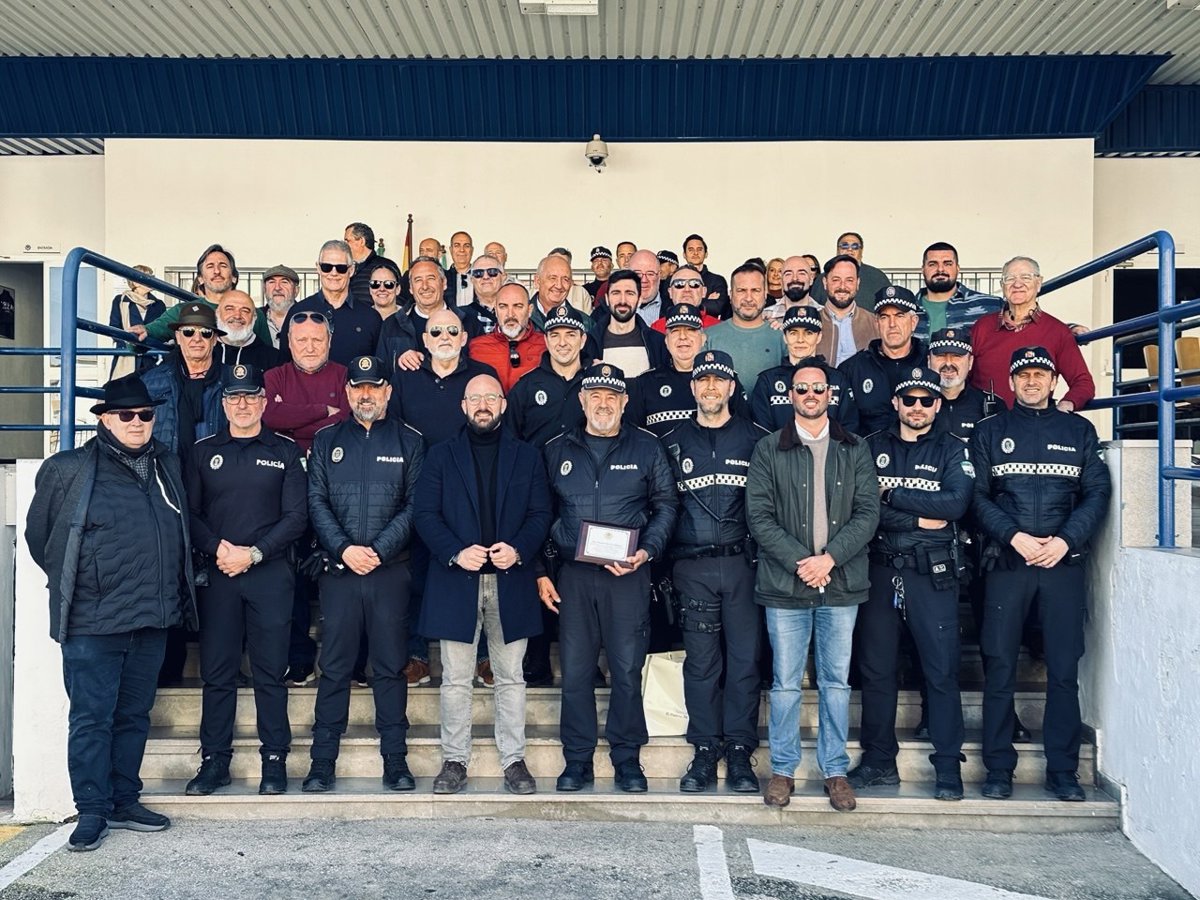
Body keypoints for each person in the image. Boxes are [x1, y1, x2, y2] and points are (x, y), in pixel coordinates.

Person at [25, 373, 197, 850]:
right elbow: (42, 540)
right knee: (91, 719)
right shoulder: (68, 469)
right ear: (104, 419)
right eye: (125, 414)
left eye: (145, 414)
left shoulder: (166, 464)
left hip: (152, 617)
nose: (137, 422)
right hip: (93, 622)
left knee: (134, 716)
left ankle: (124, 800)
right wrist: (88, 583)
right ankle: (92, 810)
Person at [971, 346, 1111, 802]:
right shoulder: (990, 431)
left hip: (1061, 563)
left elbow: (1096, 492)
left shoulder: (1079, 430)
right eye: (1023, 375)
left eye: (1040, 374)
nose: (1032, 382)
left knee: (1064, 669)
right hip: (1008, 561)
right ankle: (998, 769)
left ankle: (1063, 771)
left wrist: (1065, 540)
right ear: (1012, 382)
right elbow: (977, 496)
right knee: (999, 666)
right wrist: (1014, 536)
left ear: (1054, 381)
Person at [746, 361, 879, 811]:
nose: (810, 395)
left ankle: (835, 771)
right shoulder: (769, 448)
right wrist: (802, 563)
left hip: (840, 582)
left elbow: (868, 513)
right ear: (790, 395)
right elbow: (759, 516)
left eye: (817, 389)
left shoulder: (854, 447)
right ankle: (783, 770)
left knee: (836, 683)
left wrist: (830, 559)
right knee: (785, 683)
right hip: (786, 584)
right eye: (801, 388)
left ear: (830, 395)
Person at [540, 363, 677, 793]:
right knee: (576, 672)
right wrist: (542, 571)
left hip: (628, 576)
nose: (603, 404)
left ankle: (627, 759)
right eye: (595, 396)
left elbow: (666, 505)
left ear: (624, 402)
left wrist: (646, 551)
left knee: (626, 669)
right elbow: (540, 513)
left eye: (612, 397)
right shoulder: (557, 449)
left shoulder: (647, 447)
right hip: (575, 576)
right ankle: (577, 760)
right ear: (582, 401)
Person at [414, 374, 553, 795]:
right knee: (456, 679)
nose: (482, 405)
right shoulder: (440, 456)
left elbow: (541, 514)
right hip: (457, 580)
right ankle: (454, 761)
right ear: (463, 406)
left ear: (503, 404)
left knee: (510, 677)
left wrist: (520, 550)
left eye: (491, 397)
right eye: (474, 398)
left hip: (510, 580)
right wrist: (455, 552)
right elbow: (425, 514)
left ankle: (514, 761)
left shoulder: (527, 456)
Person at [182, 365, 307, 797]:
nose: (242, 405)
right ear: (223, 403)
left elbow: (296, 517)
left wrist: (253, 554)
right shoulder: (202, 452)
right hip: (220, 574)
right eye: (234, 397)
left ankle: (275, 760)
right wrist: (219, 549)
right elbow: (190, 513)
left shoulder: (285, 451)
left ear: (263, 402)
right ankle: (214, 762)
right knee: (217, 673)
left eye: (251, 397)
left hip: (270, 574)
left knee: (270, 673)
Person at [303, 356, 425, 793]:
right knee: (335, 668)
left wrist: (377, 550)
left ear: (388, 391)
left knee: (390, 667)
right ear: (348, 392)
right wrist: (344, 548)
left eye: (374, 387)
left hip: (389, 572)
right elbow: (316, 501)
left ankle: (395, 760)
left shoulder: (410, 440)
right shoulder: (326, 439)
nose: (366, 394)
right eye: (359, 387)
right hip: (340, 572)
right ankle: (321, 763)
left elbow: (415, 505)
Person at [852, 366, 972, 800]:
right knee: (876, 670)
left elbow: (956, 503)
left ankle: (948, 766)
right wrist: (919, 516)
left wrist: (892, 496)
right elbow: (861, 507)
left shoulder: (953, 448)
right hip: (881, 569)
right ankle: (878, 761)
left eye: (926, 400)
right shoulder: (870, 447)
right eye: (909, 400)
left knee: (941, 670)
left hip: (931, 571)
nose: (917, 407)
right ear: (895, 403)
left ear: (937, 405)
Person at [662, 350, 768, 793]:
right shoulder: (669, 442)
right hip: (692, 567)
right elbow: (660, 507)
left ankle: (740, 750)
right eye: (703, 380)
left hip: (744, 565)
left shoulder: (758, 439)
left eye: (718, 380)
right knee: (701, 665)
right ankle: (705, 749)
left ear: (731, 387)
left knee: (744, 661)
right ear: (693, 387)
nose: (710, 387)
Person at [969, 256, 1095, 412]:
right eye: (1010, 279)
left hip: (1034, 422)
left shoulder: (1057, 331)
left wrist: (1065, 406)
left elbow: (1083, 383)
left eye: (1025, 277)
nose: (1017, 284)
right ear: (1002, 285)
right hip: (986, 422)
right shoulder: (982, 327)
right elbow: (963, 376)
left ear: (1039, 283)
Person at [625, 303, 750, 437]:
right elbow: (633, 436)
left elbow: (745, 430)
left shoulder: (726, 379)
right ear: (666, 340)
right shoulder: (645, 383)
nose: (683, 336)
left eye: (690, 330)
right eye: (675, 331)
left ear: (703, 338)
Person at [133, 244, 272, 348]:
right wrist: (139, 334)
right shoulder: (183, 311)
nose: (217, 271)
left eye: (223, 266)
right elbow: (149, 333)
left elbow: (268, 356)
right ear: (200, 279)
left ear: (234, 277)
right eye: (210, 266)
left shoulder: (253, 314)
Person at [141, 302, 227, 462]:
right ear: (178, 337)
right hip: (167, 471)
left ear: (215, 339)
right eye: (188, 332)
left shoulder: (231, 381)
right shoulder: (151, 382)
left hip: (217, 471)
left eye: (206, 333)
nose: (197, 339)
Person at [751, 307, 857, 433]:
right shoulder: (768, 381)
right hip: (779, 446)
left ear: (819, 337)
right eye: (793, 333)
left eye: (808, 333)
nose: (800, 339)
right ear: (785, 337)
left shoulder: (838, 380)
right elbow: (762, 434)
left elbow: (849, 429)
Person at [838, 286, 927, 435]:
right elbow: (845, 427)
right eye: (884, 317)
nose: (892, 324)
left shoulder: (930, 362)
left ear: (913, 322)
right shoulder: (853, 368)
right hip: (868, 448)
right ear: (877, 323)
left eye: (899, 316)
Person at [279, 239, 382, 366]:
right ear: (318, 268)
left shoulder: (370, 317)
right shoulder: (298, 312)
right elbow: (284, 363)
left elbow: (380, 366)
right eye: (326, 267)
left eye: (341, 268)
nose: (333, 273)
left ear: (351, 270)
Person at [507, 303, 591, 450]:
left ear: (582, 340)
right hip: (537, 465)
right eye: (555, 335)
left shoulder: (596, 385)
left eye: (570, 335)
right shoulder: (525, 387)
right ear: (546, 340)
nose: (562, 343)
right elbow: (510, 442)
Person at [263, 313, 350, 453]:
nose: (310, 348)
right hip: (284, 460)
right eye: (301, 340)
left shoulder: (345, 376)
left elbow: (346, 423)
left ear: (329, 341)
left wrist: (290, 427)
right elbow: (269, 416)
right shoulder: (274, 377)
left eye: (317, 340)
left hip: (333, 458)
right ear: (289, 342)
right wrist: (324, 410)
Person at [705, 263, 784, 385]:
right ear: (731, 295)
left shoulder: (782, 338)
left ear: (765, 295)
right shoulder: (708, 337)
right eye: (741, 291)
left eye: (755, 291)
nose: (748, 298)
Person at [913, 242, 1002, 343]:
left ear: (957, 268)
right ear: (923, 269)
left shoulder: (991, 306)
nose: (940, 269)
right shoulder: (908, 309)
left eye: (948, 264)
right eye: (933, 264)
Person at [586, 270, 667, 377]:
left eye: (630, 293)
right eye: (616, 293)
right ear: (607, 299)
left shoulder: (657, 342)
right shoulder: (589, 343)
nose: (623, 301)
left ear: (639, 300)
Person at [468, 282, 546, 393]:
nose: (510, 314)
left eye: (518, 306)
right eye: (503, 306)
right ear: (496, 310)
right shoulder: (476, 347)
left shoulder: (545, 345)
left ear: (529, 310)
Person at [927, 327, 998, 441]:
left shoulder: (992, 406)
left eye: (957, 356)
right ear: (929, 361)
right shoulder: (914, 405)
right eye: (941, 355)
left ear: (970, 362)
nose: (948, 363)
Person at [815, 255, 878, 366]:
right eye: (836, 280)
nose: (842, 286)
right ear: (825, 282)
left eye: (849, 280)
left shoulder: (875, 324)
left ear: (858, 283)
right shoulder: (812, 323)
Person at [108, 265, 164, 378]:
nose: (152, 280)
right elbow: (114, 327)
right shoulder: (120, 301)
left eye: (152, 277)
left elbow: (162, 330)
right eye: (147, 277)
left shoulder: (159, 305)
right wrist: (130, 343)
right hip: (126, 356)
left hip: (150, 358)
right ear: (135, 282)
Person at [810, 232, 891, 311]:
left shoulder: (877, 277)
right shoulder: (823, 278)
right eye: (844, 246)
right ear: (837, 250)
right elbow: (813, 308)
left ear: (861, 251)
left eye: (855, 246)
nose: (849, 249)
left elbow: (889, 309)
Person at [214, 290, 280, 371]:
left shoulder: (275, 359)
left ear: (254, 317)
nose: (237, 316)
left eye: (245, 311)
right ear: (217, 313)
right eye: (230, 309)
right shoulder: (204, 351)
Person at [531, 253, 593, 332]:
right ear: (537, 281)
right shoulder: (521, 318)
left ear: (571, 284)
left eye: (565, 279)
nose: (559, 286)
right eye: (553, 278)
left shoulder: (585, 323)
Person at [650, 265, 720, 332]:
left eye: (695, 284)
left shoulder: (719, 327)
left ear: (704, 292)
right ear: (670, 292)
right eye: (679, 284)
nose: (687, 289)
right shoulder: (656, 328)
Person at [682, 233, 729, 319]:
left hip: (710, 326)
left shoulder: (717, 280)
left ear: (706, 254)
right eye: (691, 250)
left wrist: (684, 302)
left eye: (699, 249)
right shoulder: (673, 280)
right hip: (679, 325)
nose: (695, 253)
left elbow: (717, 308)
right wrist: (706, 301)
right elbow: (668, 308)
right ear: (684, 254)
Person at [258, 264, 300, 350]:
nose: (277, 288)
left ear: (296, 290)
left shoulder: (307, 317)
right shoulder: (254, 318)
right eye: (271, 282)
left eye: (284, 282)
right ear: (264, 290)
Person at [763, 255, 818, 322]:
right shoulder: (764, 317)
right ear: (782, 280)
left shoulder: (824, 315)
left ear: (811, 279)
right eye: (788, 274)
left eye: (801, 273)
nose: (794, 278)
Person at [462, 254, 504, 336]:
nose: (485, 277)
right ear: (472, 280)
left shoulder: (516, 311)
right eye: (478, 273)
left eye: (492, 272)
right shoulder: (461, 315)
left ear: (502, 277)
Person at [344, 222, 385, 306]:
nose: (344, 246)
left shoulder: (385, 266)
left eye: (348, 241)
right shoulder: (343, 267)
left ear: (362, 241)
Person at [628, 249, 663, 325]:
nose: (644, 280)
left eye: (650, 274)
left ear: (659, 276)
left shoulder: (672, 306)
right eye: (637, 274)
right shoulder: (610, 308)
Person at [444, 231, 476, 307]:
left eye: (466, 246)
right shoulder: (442, 277)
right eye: (457, 245)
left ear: (472, 250)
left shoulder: (481, 277)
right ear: (451, 250)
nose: (462, 250)